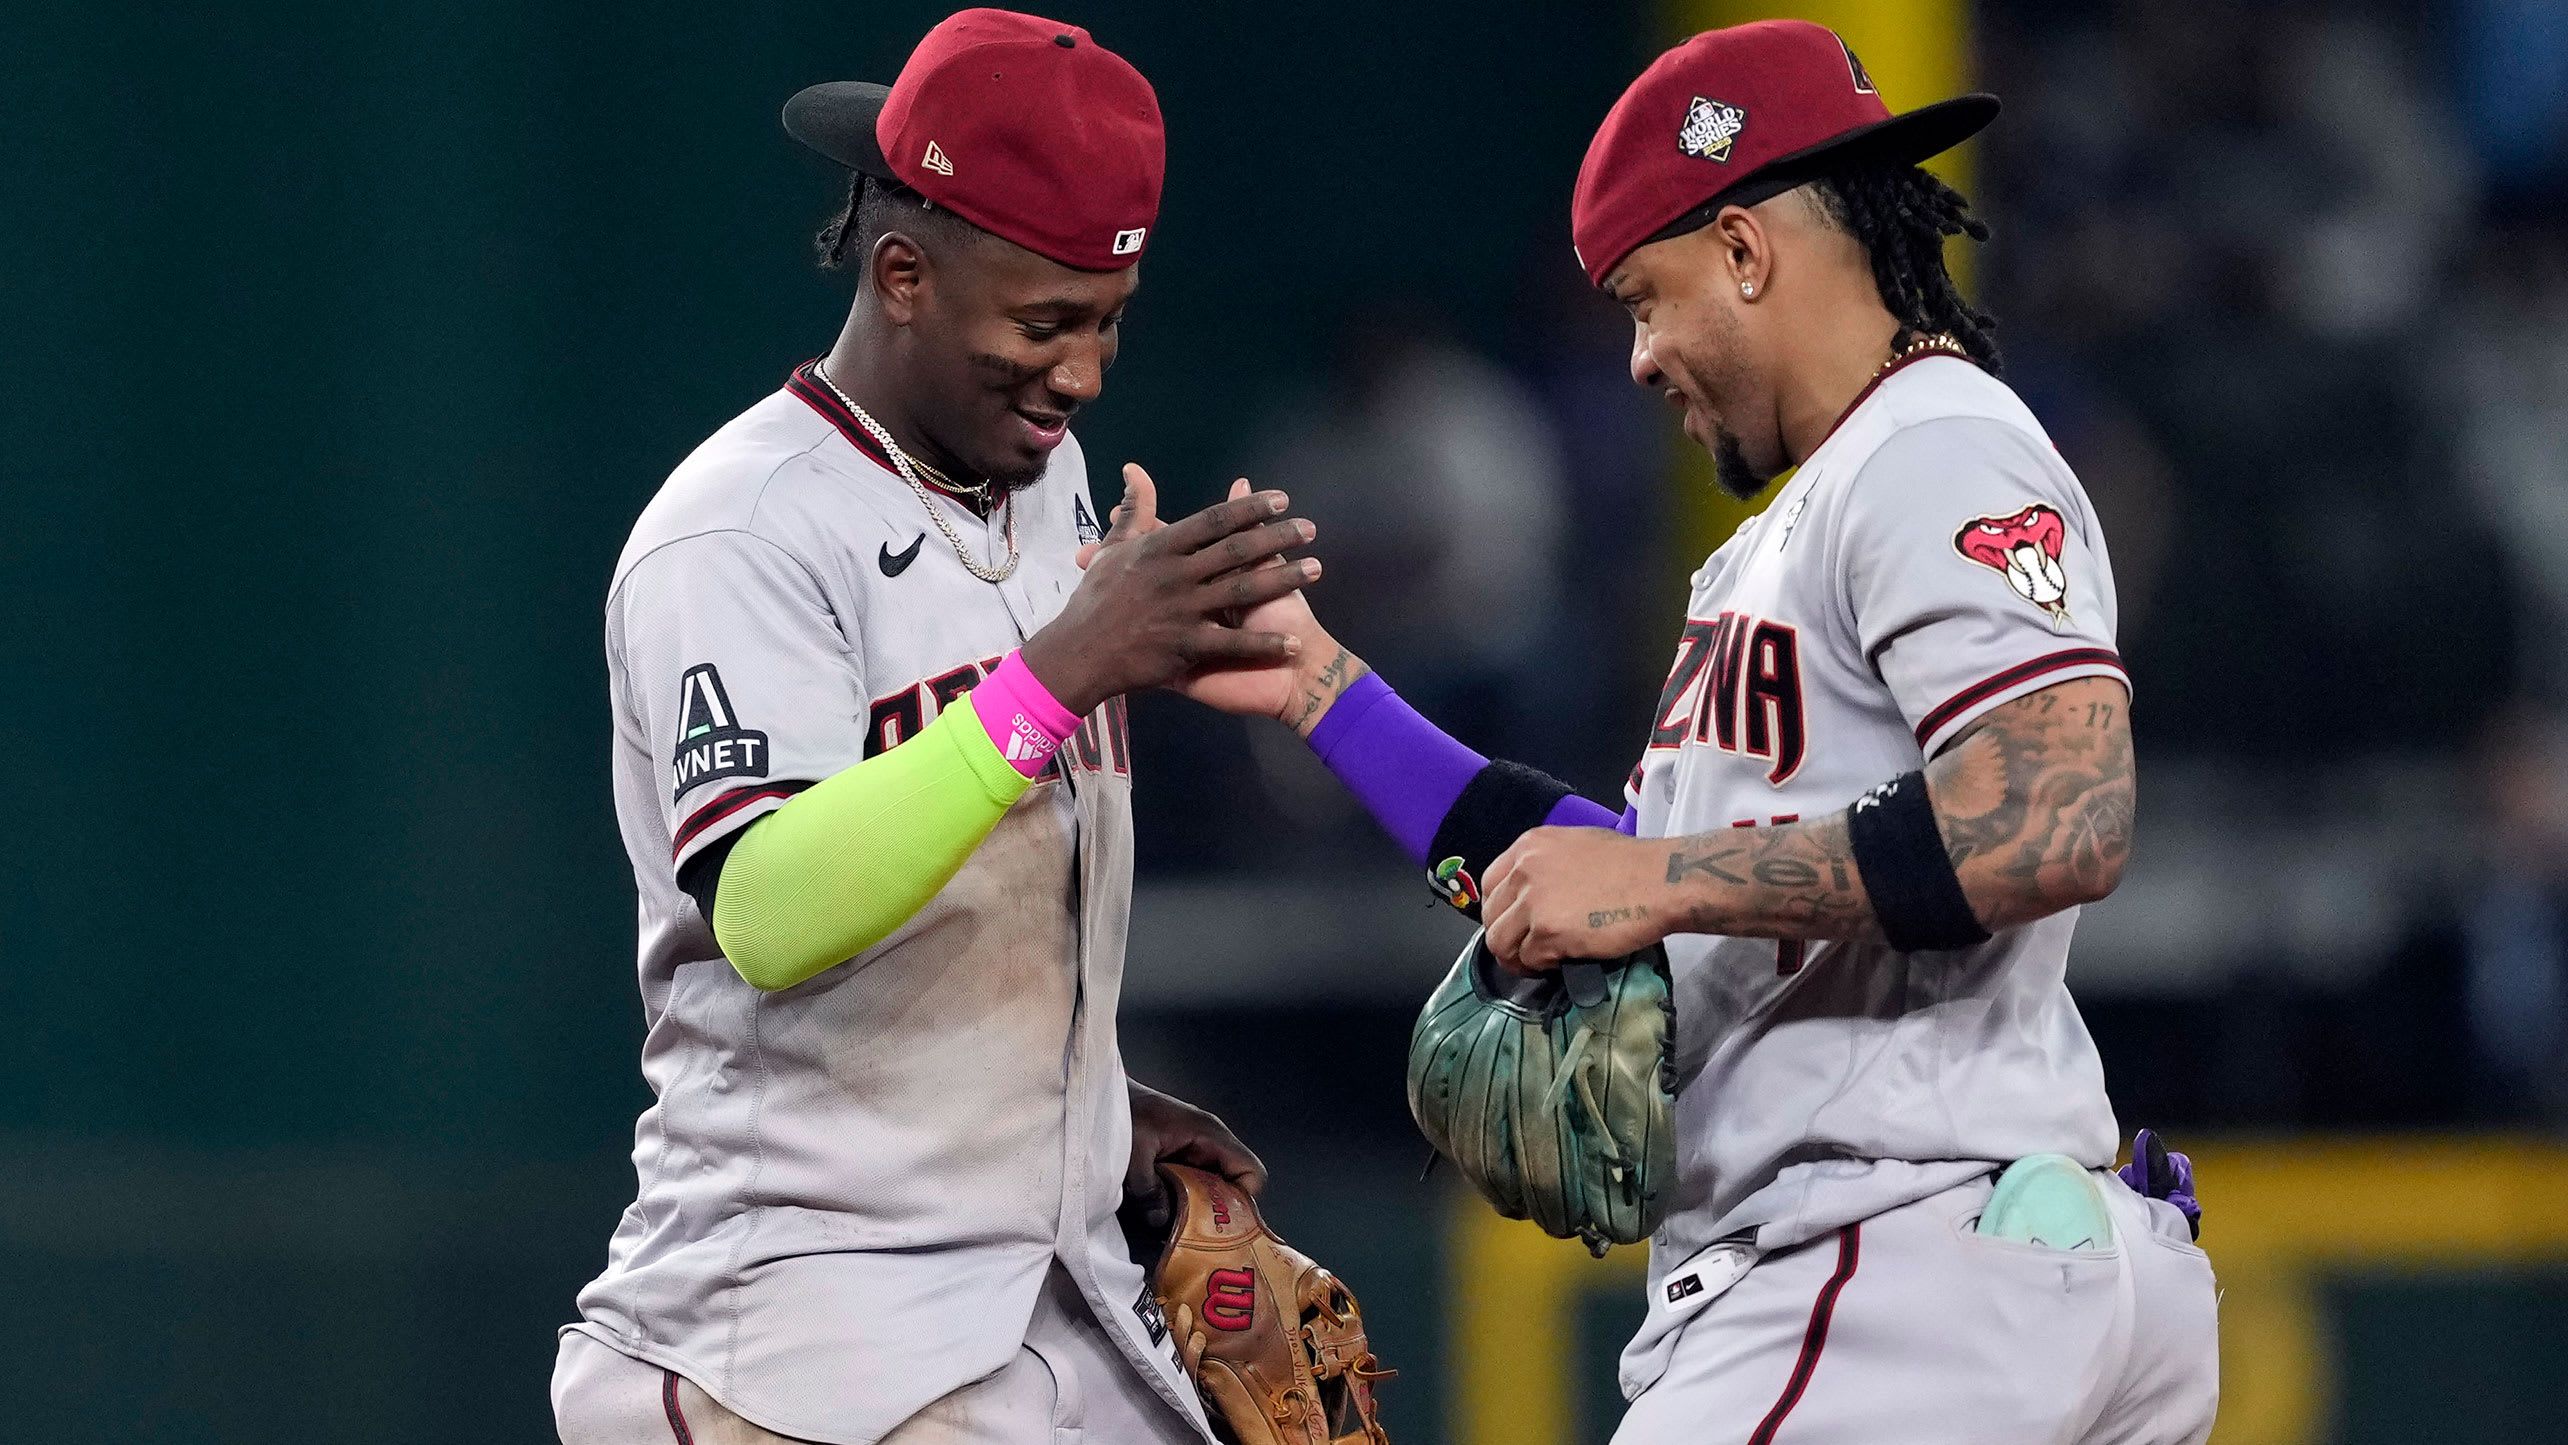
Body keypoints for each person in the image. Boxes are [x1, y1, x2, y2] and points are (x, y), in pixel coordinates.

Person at [1151, 21, 2218, 1443]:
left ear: (1745, 249)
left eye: (1646, 300)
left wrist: (1658, 881)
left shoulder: (1935, 444)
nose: (1642, 358)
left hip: (1889, 1262)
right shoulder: (1806, 525)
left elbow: (2057, 814)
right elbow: (1639, 886)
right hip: (1941, 1263)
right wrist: (1325, 693)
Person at [550, 11, 1321, 1444]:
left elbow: (974, 877)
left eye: (1106, 323)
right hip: (792, 1343)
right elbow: (771, 908)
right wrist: (1062, 670)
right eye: (1043, 323)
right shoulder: (742, 529)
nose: (1081, 373)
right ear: (902, 273)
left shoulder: (1044, 478)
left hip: (1038, 1298)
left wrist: (1079, 1109)